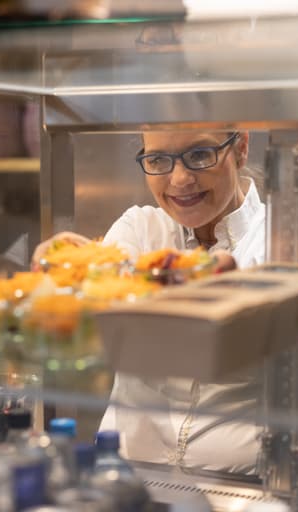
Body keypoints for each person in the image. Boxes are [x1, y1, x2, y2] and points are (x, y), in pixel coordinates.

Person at [32, 131, 265, 474]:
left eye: (200, 154)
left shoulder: (281, 237)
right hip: (124, 472)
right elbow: (91, 304)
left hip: (243, 486)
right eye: (157, 160)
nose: (180, 179)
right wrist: (57, 274)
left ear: (241, 148)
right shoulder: (139, 227)